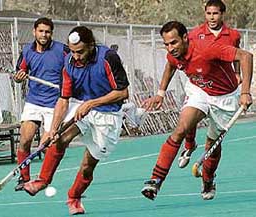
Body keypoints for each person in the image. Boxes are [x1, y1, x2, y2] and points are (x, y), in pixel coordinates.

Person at [23, 26, 129, 215]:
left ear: (91, 45)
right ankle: (43, 179)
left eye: (80, 52)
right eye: (72, 52)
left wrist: (92, 104)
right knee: (60, 138)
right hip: (80, 103)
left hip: (108, 113)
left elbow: (122, 92)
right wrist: (53, 129)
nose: (76, 56)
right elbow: (63, 100)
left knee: (88, 165)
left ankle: (74, 196)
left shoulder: (108, 57)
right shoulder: (69, 62)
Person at [141, 21, 252, 201]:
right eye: (166, 44)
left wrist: (245, 92)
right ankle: (156, 180)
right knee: (180, 129)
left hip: (225, 98)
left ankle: (208, 179)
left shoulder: (207, 48)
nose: (170, 48)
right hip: (199, 90)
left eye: (174, 43)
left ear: (185, 38)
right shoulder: (174, 54)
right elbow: (170, 64)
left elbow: (246, 56)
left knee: (212, 146)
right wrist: (160, 94)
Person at [177, 0, 242, 169]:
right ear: (204, 13)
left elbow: (239, 55)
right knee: (189, 116)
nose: (211, 17)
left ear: (222, 14)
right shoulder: (194, 34)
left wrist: (237, 73)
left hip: (222, 90)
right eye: (208, 13)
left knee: (214, 139)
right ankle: (189, 145)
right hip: (200, 84)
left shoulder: (233, 35)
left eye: (215, 13)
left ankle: (208, 178)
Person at [13, 17, 69, 191]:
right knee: (25, 140)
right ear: (34, 32)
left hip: (56, 104)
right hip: (34, 101)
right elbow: (19, 73)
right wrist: (18, 77)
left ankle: (42, 179)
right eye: (41, 31)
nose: (44, 35)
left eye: (47, 32)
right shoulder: (27, 51)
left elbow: (75, 69)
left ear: (51, 33)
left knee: (44, 145)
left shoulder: (63, 50)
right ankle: (24, 178)